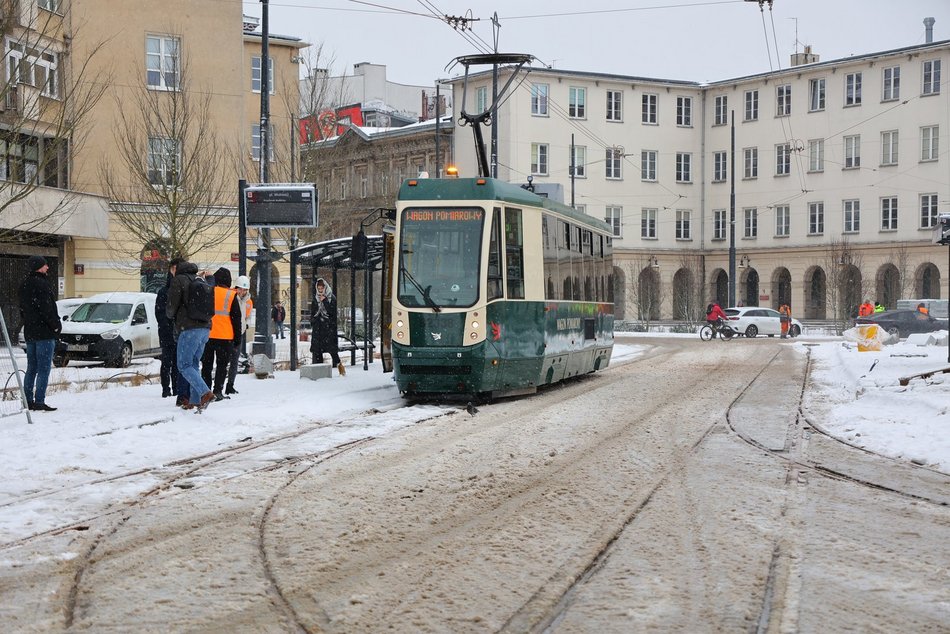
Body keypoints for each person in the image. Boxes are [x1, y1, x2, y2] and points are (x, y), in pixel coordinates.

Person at [166, 261, 214, 410]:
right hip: (205, 328)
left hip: (189, 328)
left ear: (176, 269)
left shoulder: (178, 280)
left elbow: (171, 306)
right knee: (193, 363)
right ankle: (194, 400)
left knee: (184, 365)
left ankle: (204, 392)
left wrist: (169, 314)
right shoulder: (199, 279)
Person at [18, 255, 61, 411]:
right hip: (44, 333)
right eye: (45, 265)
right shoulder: (42, 285)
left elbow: (22, 310)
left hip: (30, 332)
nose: (47, 267)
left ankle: (27, 400)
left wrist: (29, 322)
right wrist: (56, 326)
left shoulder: (24, 285)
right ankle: (39, 401)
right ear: (39, 266)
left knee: (32, 368)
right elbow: (47, 309)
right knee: (44, 369)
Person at [201, 267, 242, 401]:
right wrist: (237, 338)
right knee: (221, 366)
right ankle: (218, 390)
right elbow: (236, 318)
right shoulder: (231, 295)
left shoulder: (208, 291)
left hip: (208, 334)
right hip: (225, 336)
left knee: (206, 365)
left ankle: (206, 391)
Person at [155, 257, 183, 399]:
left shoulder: (181, 288)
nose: (175, 271)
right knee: (166, 361)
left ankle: (176, 388)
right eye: (173, 268)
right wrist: (167, 325)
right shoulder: (164, 291)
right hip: (167, 332)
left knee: (177, 362)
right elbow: (159, 313)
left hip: (177, 331)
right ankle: (166, 389)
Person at [310, 277, 345, 375]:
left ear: (325, 287)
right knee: (317, 351)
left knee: (332, 350)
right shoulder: (315, 298)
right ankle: (319, 371)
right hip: (318, 328)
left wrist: (325, 301)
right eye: (319, 288)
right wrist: (313, 321)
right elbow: (313, 311)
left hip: (328, 328)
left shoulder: (331, 298)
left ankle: (340, 369)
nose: (320, 290)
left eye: (322, 288)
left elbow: (332, 312)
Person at [225, 275, 253, 395]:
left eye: (245, 289)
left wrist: (246, 325)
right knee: (225, 361)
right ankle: (220, 385)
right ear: (236, 287)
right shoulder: (231, 297)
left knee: (234, 361)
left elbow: (248, 316)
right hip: (227, 333)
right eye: (241, 289)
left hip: (238, 334)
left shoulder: (248, 301)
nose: (242, 292)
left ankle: (230, 385)